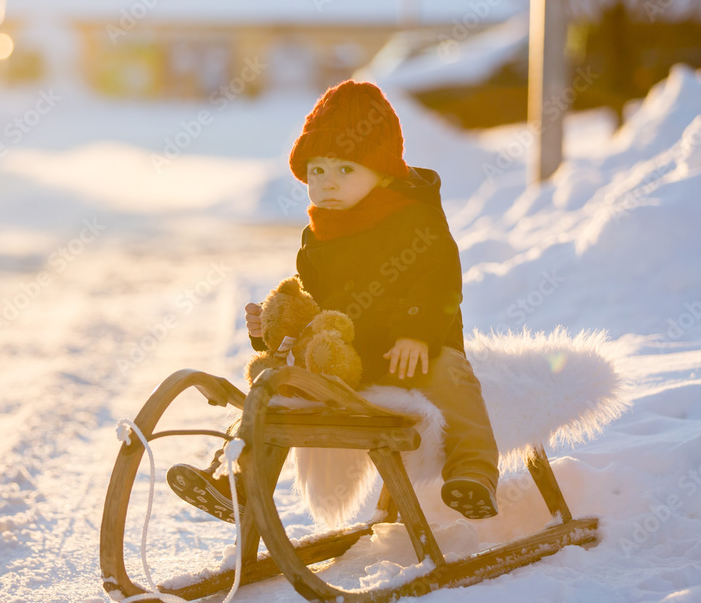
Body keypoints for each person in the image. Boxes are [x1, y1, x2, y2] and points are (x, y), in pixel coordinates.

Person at [167, 80, 500, 523]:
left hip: (416, 351)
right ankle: (237, 481)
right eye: (318, 171)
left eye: (345, 170)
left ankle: (474, 472)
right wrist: (274, 327)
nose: (327, 184)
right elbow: (315, 300)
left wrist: (416, 335)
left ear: (381, 173)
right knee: (270, 390)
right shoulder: (319, 232)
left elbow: (439, 284)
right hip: (344, 357)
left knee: (452, 379)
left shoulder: (415, 217)